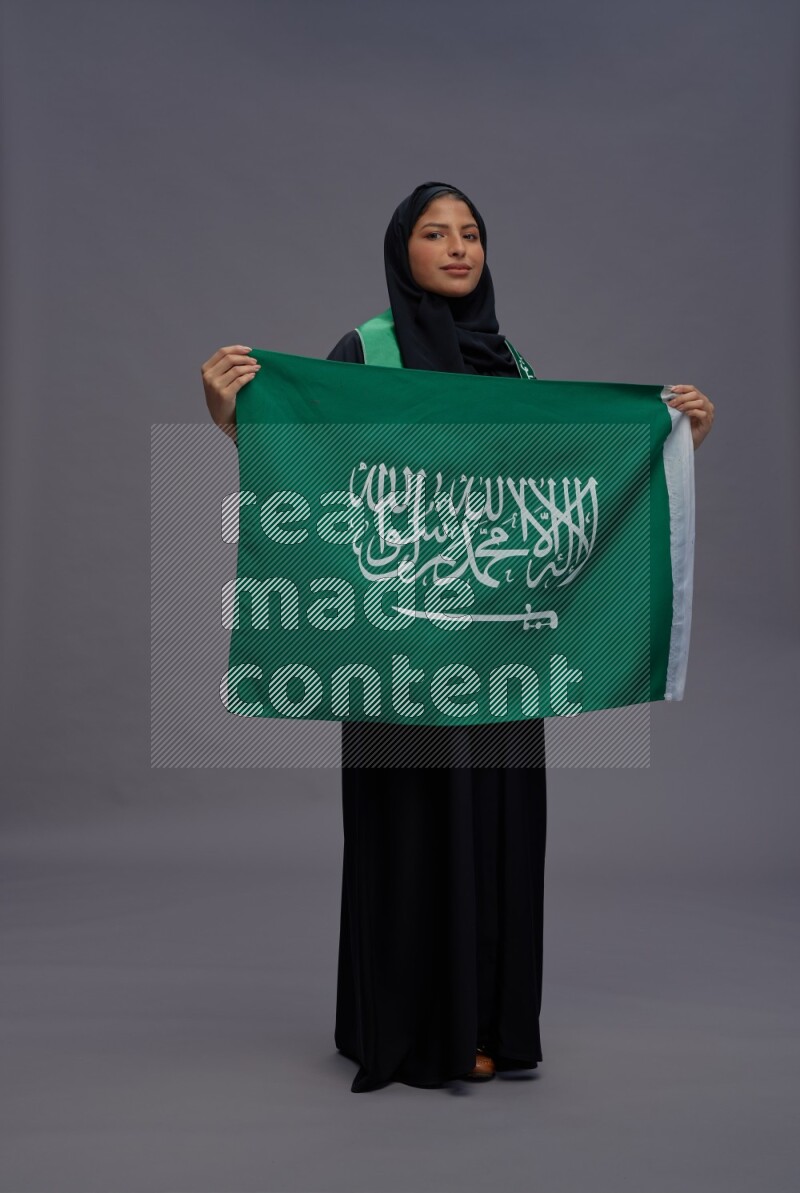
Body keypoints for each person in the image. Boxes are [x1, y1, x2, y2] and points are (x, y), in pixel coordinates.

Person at [201, 181, 715, 1094]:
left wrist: (672, 444)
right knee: (408, 832)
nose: (456, 246)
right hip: (400, 653)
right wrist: (231, 416)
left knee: (498, 832)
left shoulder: (506, 362)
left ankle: (487, 1026)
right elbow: (311, 463)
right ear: (401, 249)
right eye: (435, 233)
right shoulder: (365, 351)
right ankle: (400, 1030)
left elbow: (555, 485)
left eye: (470, 233)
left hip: (501, 655)